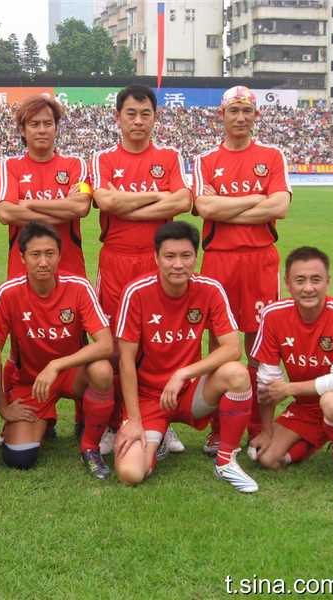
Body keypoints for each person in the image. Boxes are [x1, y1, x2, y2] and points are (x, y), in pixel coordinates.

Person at [114, 222, 258, 493]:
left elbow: (232, 348)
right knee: (131, 474)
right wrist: (133, 420)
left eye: (186, 256)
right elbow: (125, 362)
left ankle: (226, 460)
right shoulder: (137, 292)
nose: (178, 265)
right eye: (169, 257)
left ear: (196, 257)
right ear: (156, 258)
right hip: (149, 397)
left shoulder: (210, 288)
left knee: (236, 373)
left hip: (189, 391)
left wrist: (183, 373)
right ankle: (159, 438)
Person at [91, 84, 191, 457]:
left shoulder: (169, 156)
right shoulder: (103, 158)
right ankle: (115, 421)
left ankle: (161, 424)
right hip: (116, 260)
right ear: (117, 118)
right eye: (130, 114)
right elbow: (105, 200)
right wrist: (156, 197)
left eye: (145, 113)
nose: (137, 121)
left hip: (159, 261)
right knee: (118, 346)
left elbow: (182, 199)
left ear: (155, 117)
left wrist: (127, 206)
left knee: (159, 342)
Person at [192, 85, 292, 455]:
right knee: (218, 345)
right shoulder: (205, 160)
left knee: (260, 347)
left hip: (260, 260)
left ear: (256, 116)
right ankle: (218, 427)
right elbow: (206, 208)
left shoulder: (271, 155)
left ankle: (254, 426)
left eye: (246, 111)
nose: (240, 117)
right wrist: (255, 200)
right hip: (219, 262)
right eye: (233, 110)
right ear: (222, 115)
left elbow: (280, 206)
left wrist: (229, 205)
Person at [0, 223, 115, 479]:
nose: (43, 262)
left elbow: (105, 343)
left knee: (102, 370)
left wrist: (56, 365)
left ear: (60, 255)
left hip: (72, 374)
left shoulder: (78, 287)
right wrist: (3, 407)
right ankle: (43, 422)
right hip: (30, 381)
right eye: (35, 255)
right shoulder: (8, 293)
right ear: (22, 258)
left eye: (50, 253)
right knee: (19, 457)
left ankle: (89, 447)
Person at [250, 246, 333, 491]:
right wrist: (266, 430)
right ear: (288, 283)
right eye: (300, 280)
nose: (308, 288)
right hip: (306, 404)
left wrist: (289, 388)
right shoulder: (273, 315)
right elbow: (267, 380)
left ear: (327, 282)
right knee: (267, 459)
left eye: (316, 280)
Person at [0, 94, 91, 279]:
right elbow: (6, 213)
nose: (42, 130)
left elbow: (81, 207)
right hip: (22, 275)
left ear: (56, 128)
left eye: (48, 124)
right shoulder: (9, 165)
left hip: (69, 273)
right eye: (34, 124)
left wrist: (27, 204)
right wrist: (64, 205)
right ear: (23, 130)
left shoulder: (76, 164)